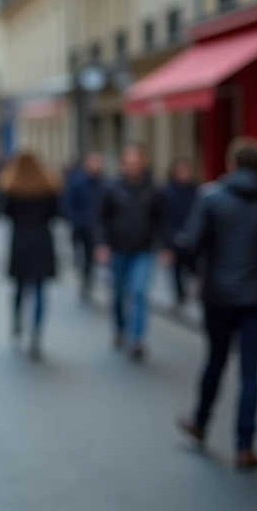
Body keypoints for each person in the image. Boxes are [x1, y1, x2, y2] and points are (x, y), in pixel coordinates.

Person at [177, 138, 257, 471]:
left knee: (215, 360)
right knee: (251, 371)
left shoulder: (211, 198)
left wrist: (197, 275)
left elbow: (191, 246)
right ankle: (245, 447)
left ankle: (200, 422)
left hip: (218, 296)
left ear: (232, 164)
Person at [94, 143, 163, 361]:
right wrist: (102, 245)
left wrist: (165, 246)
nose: (133, 166)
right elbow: (99, 219)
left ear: (143, 163)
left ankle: (137, 339)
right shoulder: (111, 188)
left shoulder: (154, 189)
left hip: (143, 250)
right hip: (118, 250)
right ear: (123, 165)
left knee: (140, 292)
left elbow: (161, 221)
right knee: (119, 294)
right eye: (129, 162)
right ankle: (121, 329)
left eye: (137, 161)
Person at [0, 150, 62, 359]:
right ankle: (36, 331)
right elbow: (55, 214)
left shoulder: (12, 189)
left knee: (20, 288)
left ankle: (17, 322)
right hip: (42, 242)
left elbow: (4, 213)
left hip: (20, 243)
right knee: (40, 289)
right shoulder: (48, 189)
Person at [63, 150, 105, 302]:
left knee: (91, 257)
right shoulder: (77, 182)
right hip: (81, 226)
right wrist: (74, 220)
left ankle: (88, 279)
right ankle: (85, 278)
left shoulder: (105, 184)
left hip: (97, 228)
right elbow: (68, 203)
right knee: (82, 255)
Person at [159, 158, 198, 309]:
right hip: (172, 235)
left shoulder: (196, 191)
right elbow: (163, 218)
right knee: (176, 270)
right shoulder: (166, 191)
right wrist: (165, 244)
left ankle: (192, 294)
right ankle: (180, 296)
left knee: (193, 267)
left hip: (192, 235)